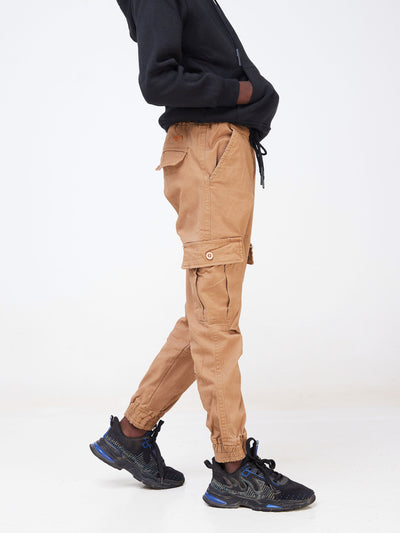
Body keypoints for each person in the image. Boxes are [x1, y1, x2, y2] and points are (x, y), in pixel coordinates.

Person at [90, 0, 316, 511]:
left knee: (207, 311)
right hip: (210, 148)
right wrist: (243, 91)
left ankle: (131, 433)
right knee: (217, 314)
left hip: (220, 150)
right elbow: (159, 80)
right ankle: (233, 468)